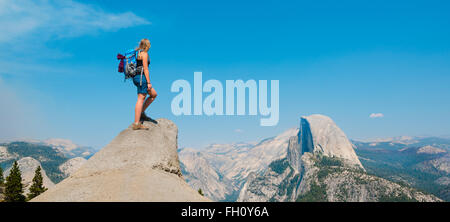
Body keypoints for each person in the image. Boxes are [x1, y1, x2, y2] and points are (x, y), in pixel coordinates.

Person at [132, 38, 158, 130]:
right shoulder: (144, 54)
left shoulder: (137, 53)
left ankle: (141, 113)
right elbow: (145, 69)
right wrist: (149, 82)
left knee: (153, 94)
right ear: (147, 46)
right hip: (142, 77)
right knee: (141, 98)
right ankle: (136, 123)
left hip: (136, 77)